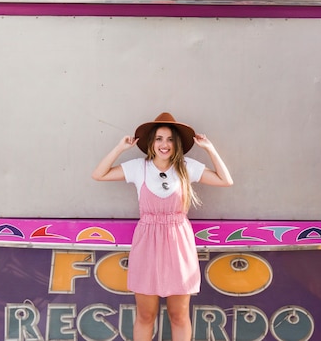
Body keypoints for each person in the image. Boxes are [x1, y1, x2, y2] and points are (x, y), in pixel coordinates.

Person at [92, 112, 233, 341]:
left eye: (169, 139)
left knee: (179, 315)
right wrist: (120, 148)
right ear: (151, 142)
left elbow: (225, 180)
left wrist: (210, 149)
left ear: (176, 143)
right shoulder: (139, 167)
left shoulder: (187, 167)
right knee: (146, 315)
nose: (164, 144)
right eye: (159, 138)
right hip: (147, 242)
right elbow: (99, 174)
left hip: (178, 243)